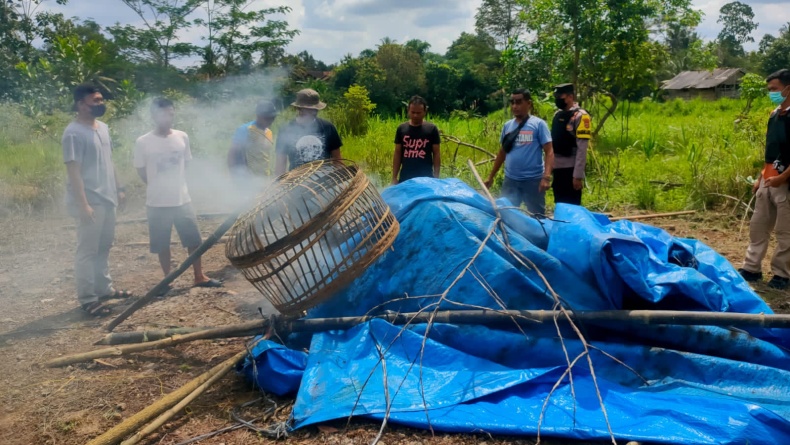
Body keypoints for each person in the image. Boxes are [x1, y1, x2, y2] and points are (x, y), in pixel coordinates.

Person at [133, 98, 222, 290]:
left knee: (193, 240)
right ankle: (167, 279)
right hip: (157, 202)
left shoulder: (182, 137)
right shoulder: (143, 142)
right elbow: (141, 170)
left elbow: (186, 163)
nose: (168, 118)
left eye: (170, 114)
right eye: (163, 114)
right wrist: (157, 185)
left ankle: (199, 276)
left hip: (182, 199)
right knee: (162, 243)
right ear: (153, 116)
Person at [62, 83, 130, 316]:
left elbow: (109, 160)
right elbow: (74, 171)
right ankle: (88, 299)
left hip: (108, 197)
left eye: (101, 100)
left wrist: (119, 188)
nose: (101, 104)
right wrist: (83, 205)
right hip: (91, 200)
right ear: (81, 104)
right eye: (96, 101)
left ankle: (104, 289)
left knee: (104, 247)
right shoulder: (73, 133)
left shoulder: (103, 128)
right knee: (88, 251)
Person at [739, 69, 790, 290]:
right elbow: (771, 152)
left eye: (774, 89)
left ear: (788, 89)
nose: (771, 93)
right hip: (768, 180)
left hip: (785, 184)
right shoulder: (774, 115)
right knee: (758, 227)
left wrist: (783, 178)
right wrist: (761, 176)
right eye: (769, 90)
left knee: (785, 232)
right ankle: (751, 268)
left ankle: (782, 273)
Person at [484, 89, 554, 216]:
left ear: (529, 103)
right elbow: (502, 153)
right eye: (512, 102)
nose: (515, 106)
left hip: (533, 181)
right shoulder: (507, 126)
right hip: (511, 180)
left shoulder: (538, 125)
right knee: (506, 215)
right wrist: (491, 176)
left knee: (537, 217)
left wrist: (546, 177)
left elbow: (549, 151)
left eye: (519, 102)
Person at [274, 89, 342, 175]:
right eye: (309, 109)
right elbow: (280, 163)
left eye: (315, 109)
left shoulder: (328, 127)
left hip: (324, 181)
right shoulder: (286, 130)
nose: (313, 112)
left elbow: (338, 161)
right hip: (297, 181)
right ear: (299, 109)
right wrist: (279, 182)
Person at [551, 83, 591, 206]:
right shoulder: (557, 114)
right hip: (557, 169)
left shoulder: (581, 116)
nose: (558, 99)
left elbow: (582, 149)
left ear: (570, 97)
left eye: (560, 96)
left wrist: (577, 176)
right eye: (556, 96)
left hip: (571, 169)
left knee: (572, 206)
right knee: (559, 204)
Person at [391, 95, 441, 184]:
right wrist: (394, 177)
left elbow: (436, 154)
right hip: (406, 178)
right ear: (408, 110)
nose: (415, 115)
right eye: (413, 112)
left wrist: (436, 177)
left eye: (418, 113)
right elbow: (397, 153)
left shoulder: (431, 129)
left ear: (425, 112)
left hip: (426, 178)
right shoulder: (401, 129)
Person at [228, 100, 278, 179]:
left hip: (263, 178)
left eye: (272, 118)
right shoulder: (245, 130)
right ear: (258, 116)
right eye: (267, 118)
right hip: (247, 179)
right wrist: (234, 176)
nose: (270, 121)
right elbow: (232, 154)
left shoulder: (269, 133)